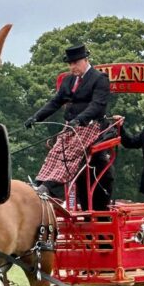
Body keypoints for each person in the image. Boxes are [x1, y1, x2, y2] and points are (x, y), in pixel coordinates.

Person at [24, 43, 110, 206]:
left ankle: (49, 187)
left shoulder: (100, 79)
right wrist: (36, 117)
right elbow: (56, 102)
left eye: (75, 63)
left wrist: (80, 119)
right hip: (71, 125)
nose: (72, 67)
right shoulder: (69, 80)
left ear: (85, 60)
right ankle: (40, 182)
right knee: (56, 151)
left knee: (71, 153)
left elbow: (97, 105)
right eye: (70, 64)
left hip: (90, 126)